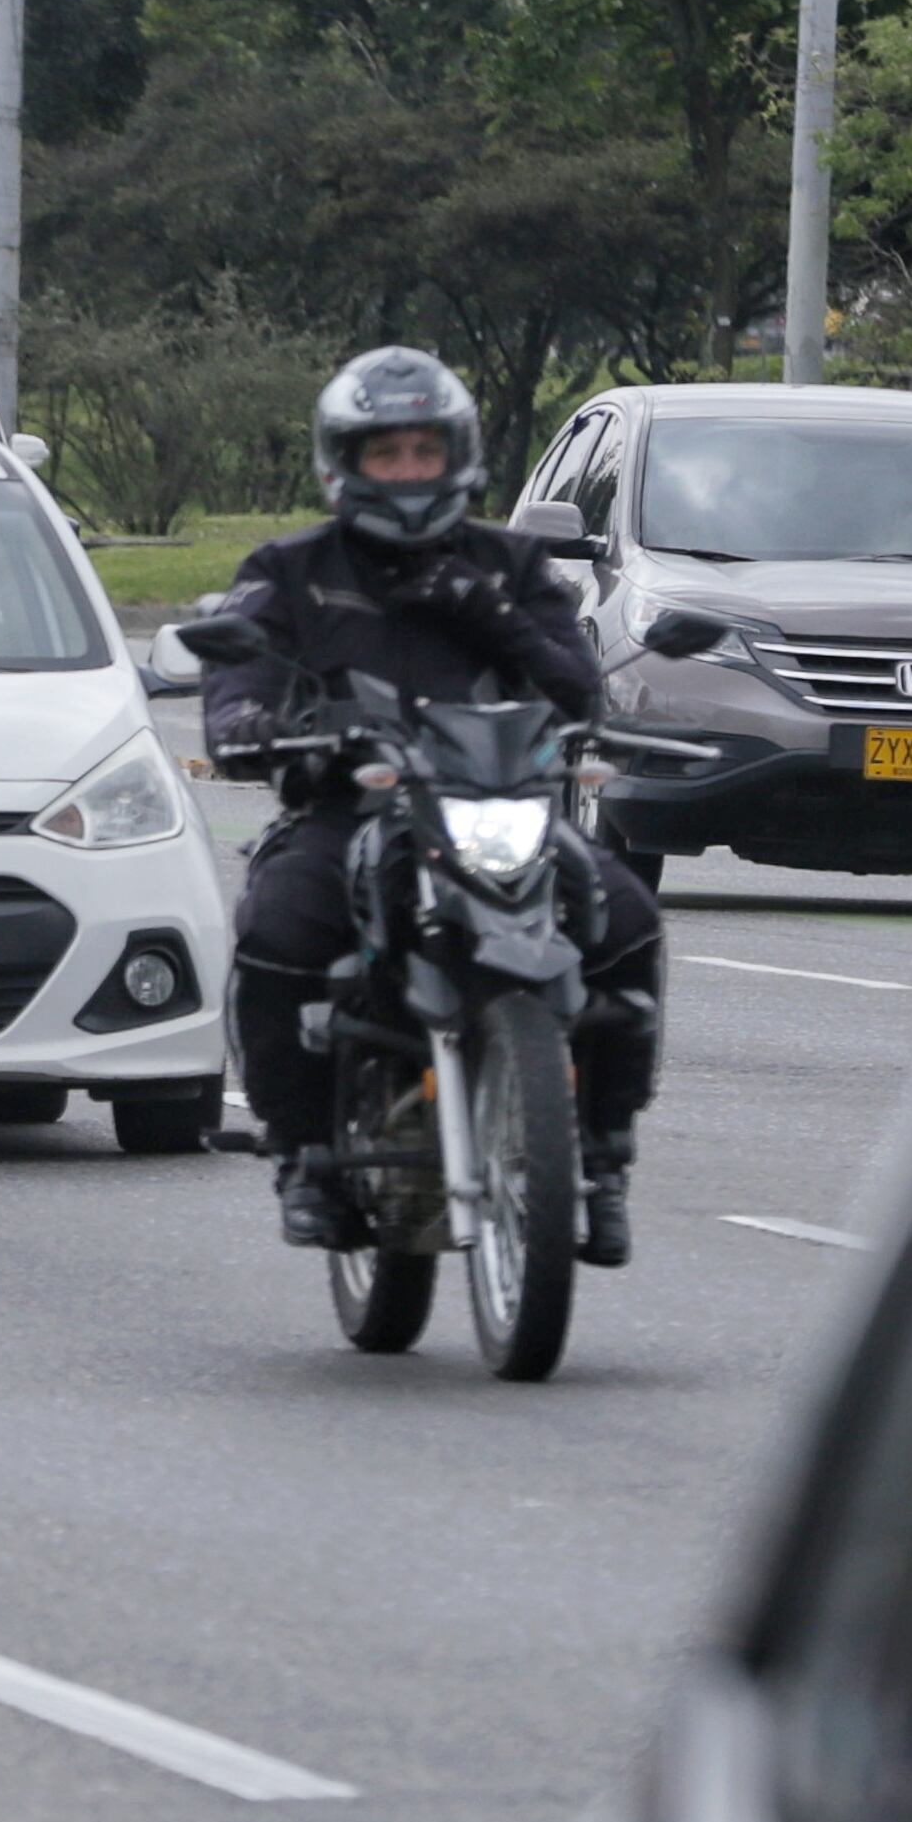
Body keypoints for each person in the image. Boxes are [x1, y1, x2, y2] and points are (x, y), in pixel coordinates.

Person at [200, 346, 663, 1267]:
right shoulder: (290, 569)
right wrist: (249, 720)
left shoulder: (515, 563)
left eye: (423, 450)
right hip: (353, 812)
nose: (408, 471)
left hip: (503, 808)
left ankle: (604, 1158)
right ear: (344, 463)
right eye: (387, 454)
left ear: (457, 454)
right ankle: (303, 1154)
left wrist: (479, 608)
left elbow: (577, 691)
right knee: (275, 929)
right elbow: (236, 678)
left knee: (629, 925)